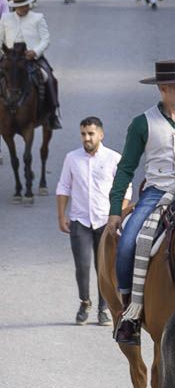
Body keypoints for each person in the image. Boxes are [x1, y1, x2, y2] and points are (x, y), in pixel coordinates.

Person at [106, 60, 175, 346]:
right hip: (157, 192)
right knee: (128, 243)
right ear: (163, 89)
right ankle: (130, 314)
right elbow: (126, 168)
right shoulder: (142, 123)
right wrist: (115, 210)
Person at [56, 116, 129, 326]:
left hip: (106, 222)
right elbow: (64, 187)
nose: (87, 138)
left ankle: (103, 308)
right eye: (83, 134)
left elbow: (126, 188)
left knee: (103, 267)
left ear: (101, 135)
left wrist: (119, 214)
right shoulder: (72, 158)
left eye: (91, 134)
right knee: (82, 266)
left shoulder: (113, 158)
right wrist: (61, 216)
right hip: (80, 220)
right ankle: (84, 302)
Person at [0, 0, 59, 129]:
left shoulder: (38, 18)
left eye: (25, 5)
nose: (23, 8)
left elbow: (45, 39)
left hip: (32, 58)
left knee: (49, 78)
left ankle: (52, 114)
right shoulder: (6, 19)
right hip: (10, 58)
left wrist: (35, 51)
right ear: (15, 7)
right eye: (20, 6)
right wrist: (4, 54)